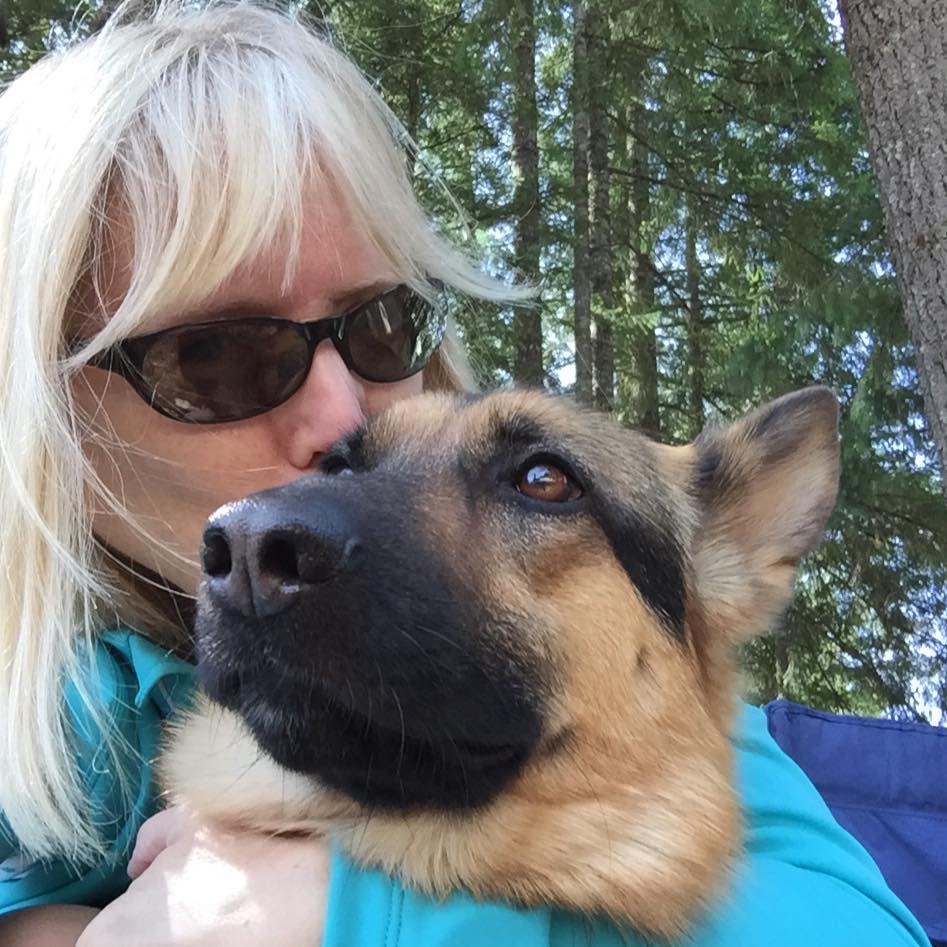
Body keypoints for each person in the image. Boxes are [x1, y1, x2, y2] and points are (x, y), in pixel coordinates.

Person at [0, 2, 932, 945]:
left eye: (380, 322)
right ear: (51, 428)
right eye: (215, 356)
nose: (341, 415)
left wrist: (359, 915)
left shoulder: (672, 699)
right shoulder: (57, 705)